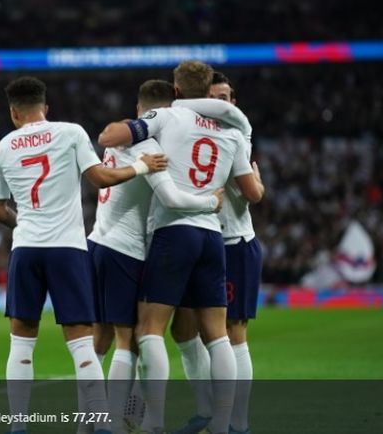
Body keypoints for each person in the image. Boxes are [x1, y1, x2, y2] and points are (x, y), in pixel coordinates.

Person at [0, 76, 168, 434]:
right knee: (82, 341)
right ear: (46, 107)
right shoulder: (69, 132)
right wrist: (143, 166)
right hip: (67, 250)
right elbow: (101, 178)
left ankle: (17, 427)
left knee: (22, 341)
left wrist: (24, 222)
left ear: (13, 112)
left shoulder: (2, 148)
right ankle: (100, 423)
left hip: (26, 249)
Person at [98, 61, 264, 434]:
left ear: (175, 89)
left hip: (174, 232)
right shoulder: (232, 133)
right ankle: (224, 422)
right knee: (218, 334)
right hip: (213, 238)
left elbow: (110, 137)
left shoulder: (167, 117)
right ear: (209, 92)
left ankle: (153, 419)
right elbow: (250, 190)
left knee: (150, 328)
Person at [87, 79, 224, 434]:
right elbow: (170, 198)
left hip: (99, 241)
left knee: (99, 339)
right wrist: (212, 202)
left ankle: (97, 420)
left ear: (139, 110)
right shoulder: (148, 145)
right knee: (127, 339)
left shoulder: (127, 138)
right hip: (125, 249)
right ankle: (113, 423)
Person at [170, 72, 263, 434]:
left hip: (233, 243)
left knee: (231, 333)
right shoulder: (192, 132)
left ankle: (237, 423)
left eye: (226, 97)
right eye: (214, 97)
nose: (221, 103)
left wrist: (258, 186)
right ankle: (207, 411)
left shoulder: (236, 135)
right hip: (199, 241)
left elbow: (252, 193)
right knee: (182, 329)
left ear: (234, 102)